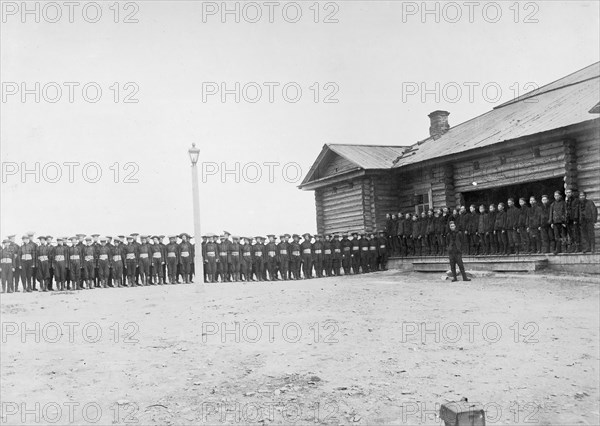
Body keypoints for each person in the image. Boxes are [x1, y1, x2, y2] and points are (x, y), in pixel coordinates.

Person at [565, 188, 580, 252]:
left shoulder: (576, 200)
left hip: (574, 220)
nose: (568, 194)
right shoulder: (567, 201)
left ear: (572, 193)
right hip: (568, 220)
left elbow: (576, 210)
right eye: (567, 192)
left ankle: (577, 247)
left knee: (575, 233)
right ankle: (572, 247)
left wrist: (575, 219)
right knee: (570, 234)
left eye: (569, 192)